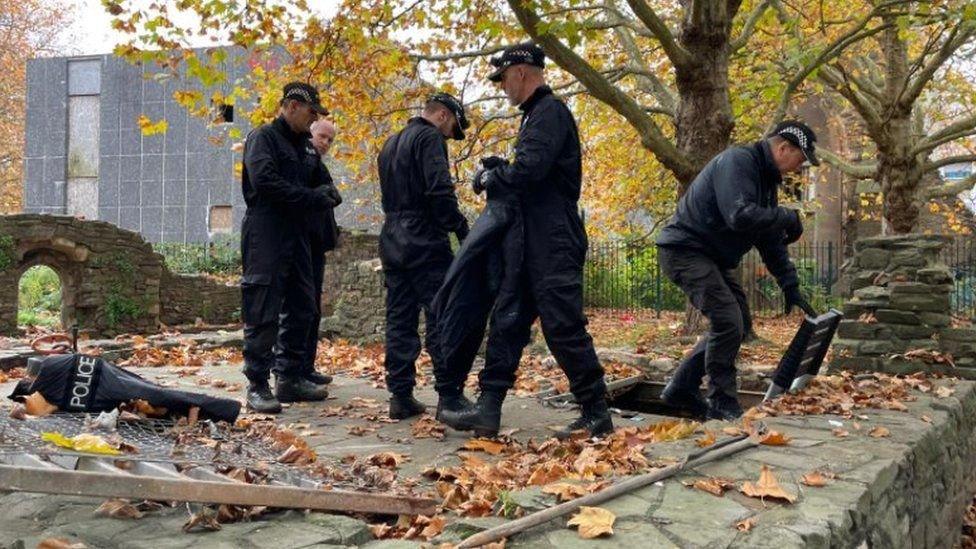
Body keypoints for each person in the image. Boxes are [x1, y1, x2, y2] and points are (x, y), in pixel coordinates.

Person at [439, 43, 613, 439]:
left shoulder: (550, 112)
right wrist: (501, 168)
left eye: (502, 79)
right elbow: (529, 170)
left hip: (553, 237)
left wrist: (491, 178)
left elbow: (531, 171)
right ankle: (488, 409)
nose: (502, 87)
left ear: (520, 72)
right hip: (528, 237)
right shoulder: (535, 115)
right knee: (508, 320)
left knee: (562, 325)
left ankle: (596, 411)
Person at [655, 120, 819, 420]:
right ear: (783, 148)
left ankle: (681, 387)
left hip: (710, 258)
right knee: (727, 319)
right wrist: (786, 216)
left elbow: (768, 239)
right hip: (685, 251)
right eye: (800, 159)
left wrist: (789, 284)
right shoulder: (738, 161)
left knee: (739, 323)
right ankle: (721, 402)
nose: (799, 168)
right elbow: (740, 216)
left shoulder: (765, 182)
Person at [240, 82, 336, 413]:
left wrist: (326, 193)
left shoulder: (304, 147)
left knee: (303, 305)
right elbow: (264, 182)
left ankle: (290, 377)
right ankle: (257, 384)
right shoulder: (263, 138)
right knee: (263, 306)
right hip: (266, 231)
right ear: (292, 106)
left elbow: (322, 180)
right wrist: (312, 197)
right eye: (311, 113)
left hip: (298, 234)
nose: (313, 121)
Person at [377, 92, 471, 420]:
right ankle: (450, 396)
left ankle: (400, 395)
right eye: (452, 129)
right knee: (441, 314)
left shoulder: (390, 143)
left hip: (392, 237)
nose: (449, 136)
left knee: (400, 318)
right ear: (443, 115)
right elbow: (439, 191)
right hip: (425, 238)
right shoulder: (429, 138)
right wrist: (460, 228)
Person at [277, 118, 342, 387]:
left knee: (312, 309)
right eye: (322, 136)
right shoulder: (301, 161)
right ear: (311, 132)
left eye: (330, 140)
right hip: (301, 242)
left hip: (318, 244)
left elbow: (336, 196)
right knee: (298, 307)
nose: (325, 143)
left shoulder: (316, 164)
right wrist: (318, 196)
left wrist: (323, 195)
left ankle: (306, 367)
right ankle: (290, 370)